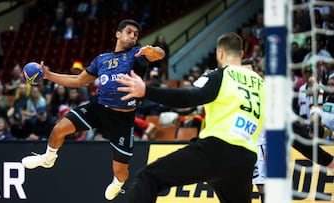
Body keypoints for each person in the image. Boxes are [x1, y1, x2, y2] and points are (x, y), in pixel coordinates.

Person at [21, 19, 165, 201]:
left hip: (123, 118)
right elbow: (77, 81)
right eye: (129, 31)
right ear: (118, 34)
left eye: (136, 34)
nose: (133, 36)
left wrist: (152, 50)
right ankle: (48, 158)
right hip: (99, 108)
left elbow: (160, 54)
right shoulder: (101, 59)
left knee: (121, 172)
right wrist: (48, 75)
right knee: (58, 129)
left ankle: (118, 184)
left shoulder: (137, 54)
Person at [116, 32, 265, 203]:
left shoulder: (221, 74)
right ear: (241, 54)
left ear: (220, 53)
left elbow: (189, 97)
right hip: (245, 160)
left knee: (148, 177)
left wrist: (146, 91)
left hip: (217, 149)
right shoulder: (263, 86)